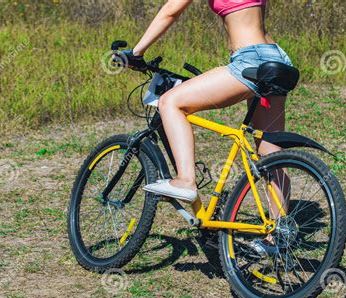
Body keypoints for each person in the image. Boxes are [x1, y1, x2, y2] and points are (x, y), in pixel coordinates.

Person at [116, 0, 293, 203]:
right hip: (276, 58)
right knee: (271, 155)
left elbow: (171, 11)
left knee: (170, 102)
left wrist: (136, 53)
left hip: (250, 59)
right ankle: (280, 231)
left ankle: (185, 180)